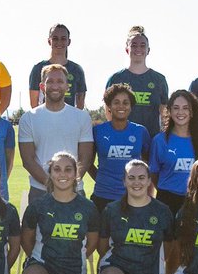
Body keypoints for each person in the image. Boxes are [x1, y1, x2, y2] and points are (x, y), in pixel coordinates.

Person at [18, 151, 101, 274]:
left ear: (76, 174)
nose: (62, 174)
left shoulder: (88, 208)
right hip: (44, 266)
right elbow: (26, 240)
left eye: (67, 169)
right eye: (57, 169)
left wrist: (72, 259)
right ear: (50, 173)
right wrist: (37, 262)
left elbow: (91, 244)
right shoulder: (38, 205)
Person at [18, 64, 94, 204]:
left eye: (60, 81)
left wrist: (70, 183)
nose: (55, 86)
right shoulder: (28, 118)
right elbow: (28, 160)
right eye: (50, 81)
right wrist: (51, 184)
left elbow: (86, 157)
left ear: (67, 86)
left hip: (75, 190)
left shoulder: (82, 117)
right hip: (40, 191)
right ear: (42, 86)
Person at [149, 90, 198, 214]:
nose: (180, 112)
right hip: (167, 200)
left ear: (192, 112)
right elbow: (154, 173)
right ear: (169, 111)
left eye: (185, 108)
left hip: (196, 200)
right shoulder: (160, 141)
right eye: (176, 108)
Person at [90, 84, 149, 211]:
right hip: (102, 195)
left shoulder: (140, 131)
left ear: (131, 106)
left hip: (132, 197)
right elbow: (89, 163)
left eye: (125, 103)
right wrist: (103, 180)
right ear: (109, 106)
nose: (121, 106)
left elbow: (148, 163)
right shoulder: (98, 131)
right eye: (116, 102)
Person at [106, 26, 168, 137]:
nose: (138, 49)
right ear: (127, 49)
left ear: (148, 50)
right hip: (123, 138)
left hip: (151, 140)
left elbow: (164, 113)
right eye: (134, 46)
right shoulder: (116, 78)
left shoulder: (159, 79)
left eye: (142, 46)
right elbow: (108, 110)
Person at [29, 24, 86, 109]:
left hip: (69, 119)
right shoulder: (38, 68)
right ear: (49, 41)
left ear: (69, 42)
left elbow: (80, 102)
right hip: (45, 118)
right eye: (55, 39)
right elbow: (34, 103)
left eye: (63, 39)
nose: (59, 42)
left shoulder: (77, 70)